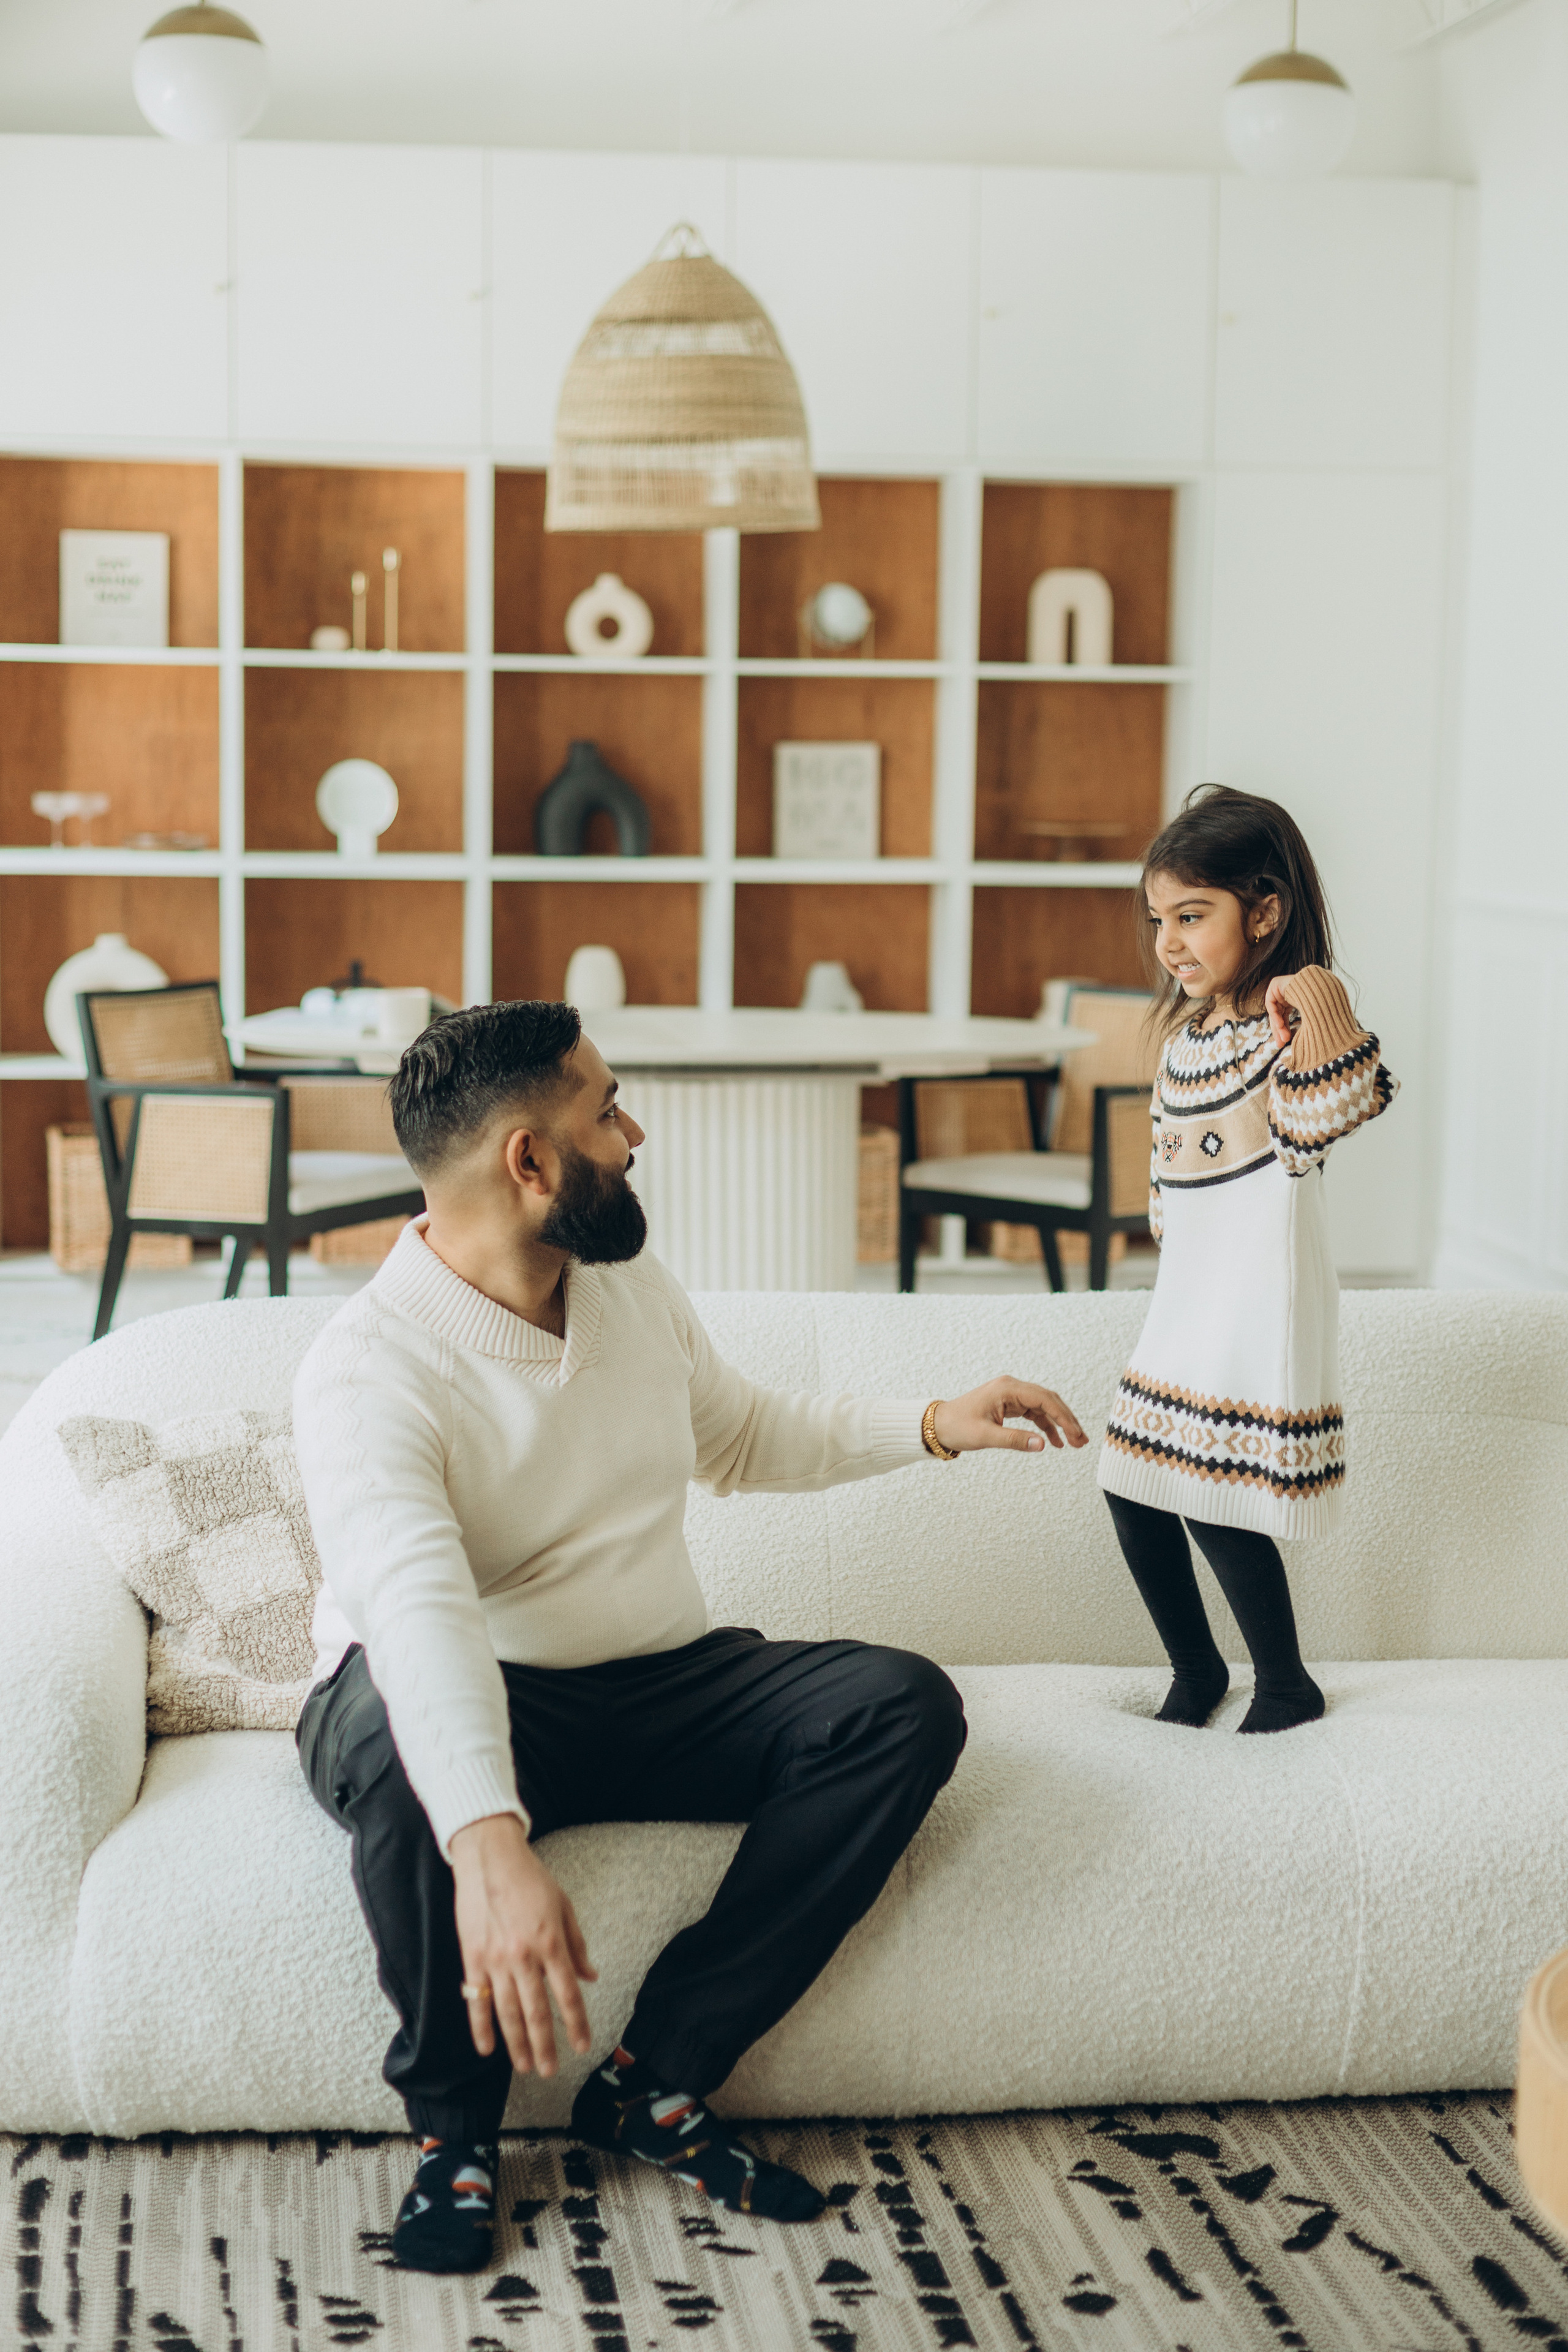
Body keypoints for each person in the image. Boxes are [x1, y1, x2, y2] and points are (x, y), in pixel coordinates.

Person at [292, 997, 1088, 2275]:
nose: (635, 1129)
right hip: (444, 1680)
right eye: (605, 1109)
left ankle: (651, 2079)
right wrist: (488, 1845)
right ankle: (454, 2139)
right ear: (529, 1162)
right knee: (401, 1751)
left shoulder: (621, 1282)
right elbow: (416, 1607)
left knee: (898, 1704)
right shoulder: (366, 1369)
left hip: (651, 1681)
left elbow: (740, 1436)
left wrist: (933, 1420)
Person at [1099, 785, 1398, 1735]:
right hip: (1191, 1293)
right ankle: (1197, 1669)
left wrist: (1309, 995)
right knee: (1133, 1480)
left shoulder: (1289, 1038)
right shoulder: (1186, 1040)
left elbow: (1340, 1108)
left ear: (1263, 912)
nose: (1170, 942)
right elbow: (1164, 1172)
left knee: (1215, 1493)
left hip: (1256, 1297)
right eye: (1160, 920)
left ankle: (1283, 1682)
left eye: (1193, 916)